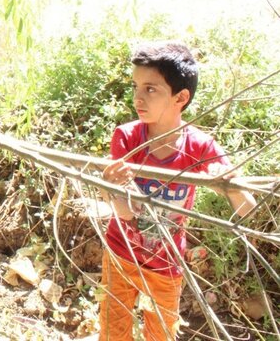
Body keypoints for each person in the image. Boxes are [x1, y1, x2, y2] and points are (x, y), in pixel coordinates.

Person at [98, 41, 256, 341]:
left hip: (166, 262)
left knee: (161, 334)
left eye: (151, 89)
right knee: (112, 332)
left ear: (180, 97)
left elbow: (247, 207)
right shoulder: (127, 136)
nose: (138, 98)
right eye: (136, 87)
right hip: (121, 253)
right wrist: (110, 187)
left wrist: (228, 184)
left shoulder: (201, 147)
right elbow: (124, 211)